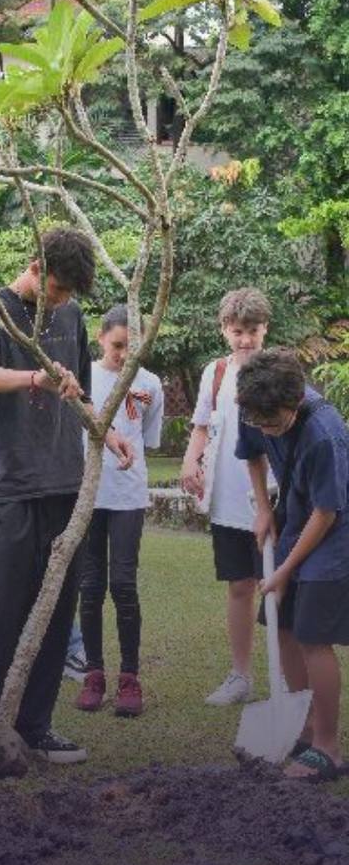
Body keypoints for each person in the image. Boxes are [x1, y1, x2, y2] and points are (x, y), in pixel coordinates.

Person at [0, 228, 134, 771]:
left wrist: (107, 431)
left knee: (56, 612)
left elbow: (77, 389)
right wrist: (34, 375)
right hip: (13, 486)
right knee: (3, 614)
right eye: (56, 290)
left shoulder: (72, 316)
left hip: (66, 483)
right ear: (34, 266)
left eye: (68, 295)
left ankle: (34, 728)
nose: (60, 302)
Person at [237, 349, 349, 781]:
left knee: (313, 635)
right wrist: (265, 509)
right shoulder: (255, 403)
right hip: (294, 515)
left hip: (334, 529)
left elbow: (327, 513)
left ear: (297, 400)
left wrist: (283, 571)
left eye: (275, 424)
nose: (267, 430)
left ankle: (328, 747)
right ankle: (302, 726)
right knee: (282, 624)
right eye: (260, 422)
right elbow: (252, 453)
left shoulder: (325, 433)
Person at [180, 287, 271, 706]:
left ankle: (291, 679)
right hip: (227, 499)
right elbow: (201, 425)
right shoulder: (215, 372)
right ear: (224, 331)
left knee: (279, 588)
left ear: (264, 328)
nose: (245, 340)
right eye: (237, 331)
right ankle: (240, 676)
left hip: (274, 499)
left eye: (252, 330)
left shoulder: (278, 371)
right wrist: (189, 461)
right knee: (239, 586)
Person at [75, 305, 163, 717]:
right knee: (90, 587)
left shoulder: (150, 384)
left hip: (128, 495)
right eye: (117, 346)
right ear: (100, 337)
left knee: (123, 585)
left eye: (133, 348)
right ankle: (94, 675)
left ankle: (130, 679)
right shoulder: (84, 377)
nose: (124, 355)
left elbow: (148, 437)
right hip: (89, 493)